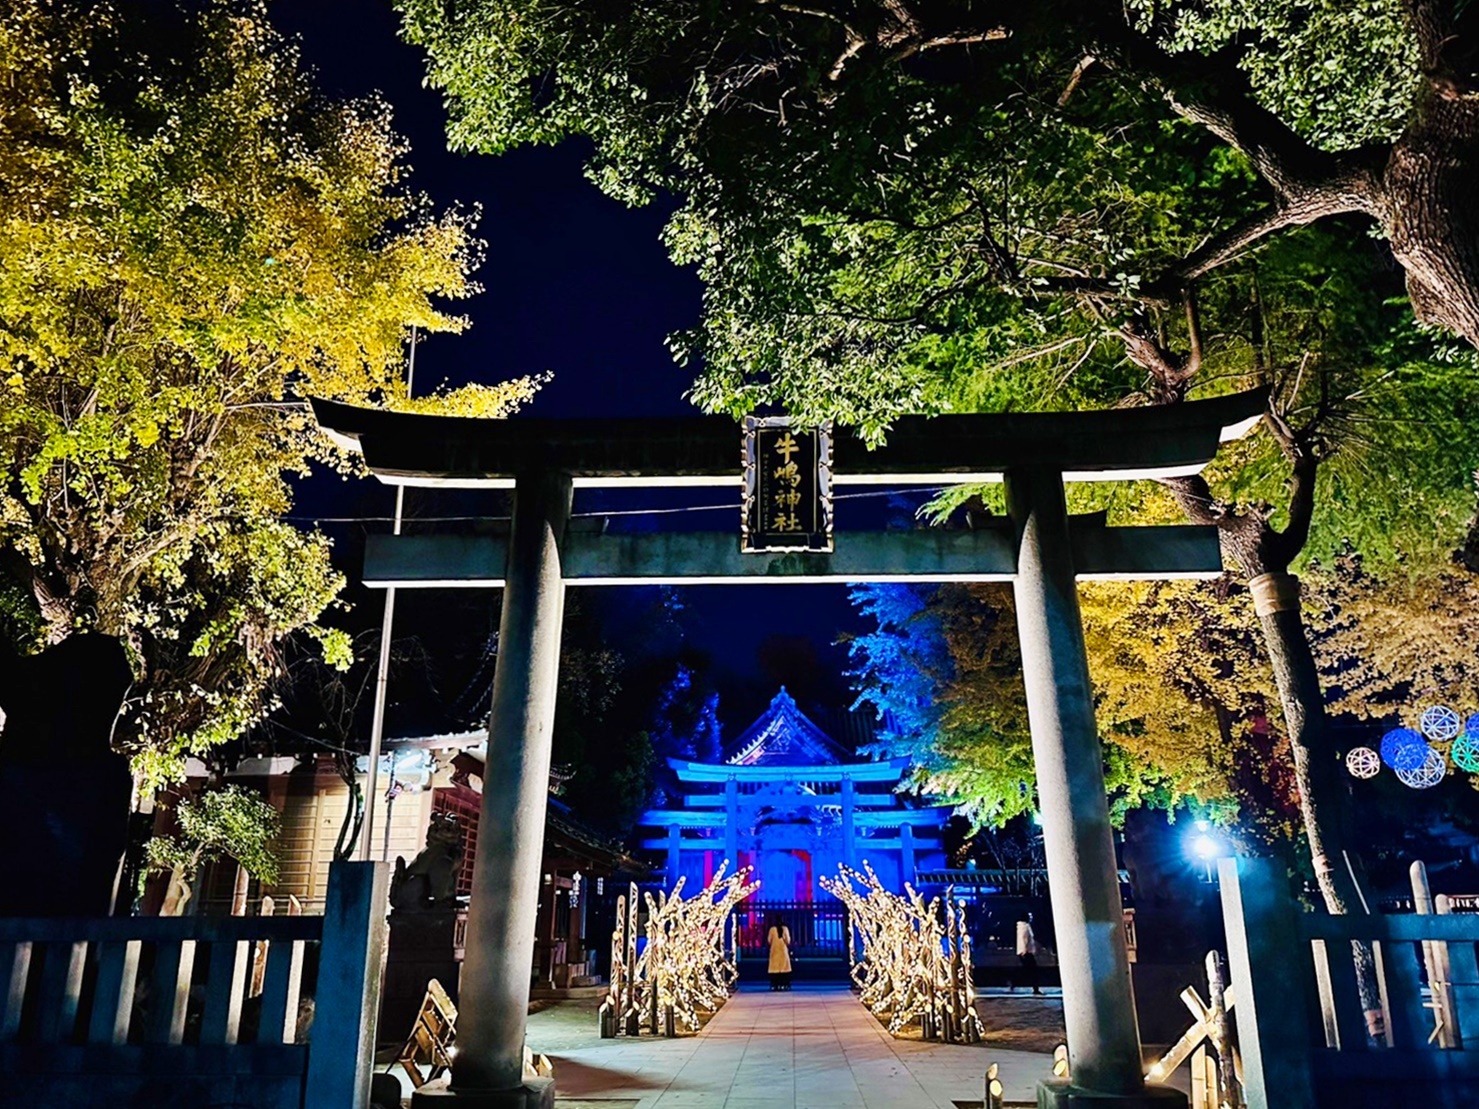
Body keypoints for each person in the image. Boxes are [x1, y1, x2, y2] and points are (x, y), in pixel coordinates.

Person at [1016, 914, 1042, 995]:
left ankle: (1013, 982)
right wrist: (1024, 950)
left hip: (1025, 951)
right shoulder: (1024, 927)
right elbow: (1024, 939)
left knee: (1028, 971)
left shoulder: (1022, 927)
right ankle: (1035, 989)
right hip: (1026, 952)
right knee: (1033, 971)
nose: (1031, 918)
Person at [766, 916, 792, 991]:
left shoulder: (772, 930)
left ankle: (775, 985)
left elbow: (769, 940)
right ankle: (784, 984)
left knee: (775, 969)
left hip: (774, 951)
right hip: (783, 951)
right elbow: (788, 941)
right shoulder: (785, 929)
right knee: (784, 969)